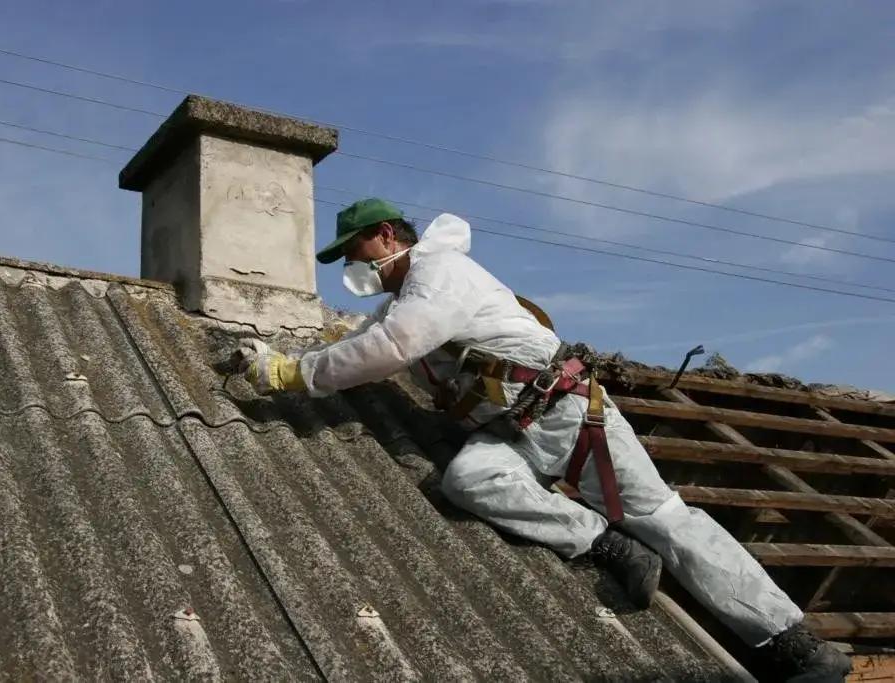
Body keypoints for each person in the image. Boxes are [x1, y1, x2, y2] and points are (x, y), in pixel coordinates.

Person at [236, 197, 852, 683]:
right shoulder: (406, 297)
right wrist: (277, 361)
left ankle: (796, 649)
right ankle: (610, 548)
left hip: (570, 416)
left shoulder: (439, 274)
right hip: (513, 431)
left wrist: (295, 376)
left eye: (356, 248)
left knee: (664, 517)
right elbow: (359, 343)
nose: (353, 263)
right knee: (469, 479)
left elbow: (391, 348)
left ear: (389, 237)